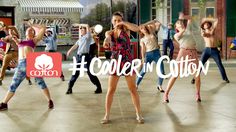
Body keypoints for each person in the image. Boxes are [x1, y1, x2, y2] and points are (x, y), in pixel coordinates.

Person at [101, 11, 144, 124]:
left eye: (118, 20)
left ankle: (139, 114)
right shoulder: (109, 32)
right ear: (111, 21)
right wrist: (106, 40)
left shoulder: (127, 30)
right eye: (114, 20)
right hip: (115, 62)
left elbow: (137, 28)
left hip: (127, 61)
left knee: (132, 89)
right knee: (111, 90)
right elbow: (107, 38)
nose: (116, 22)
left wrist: (123, 23)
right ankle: (107, 115)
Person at [0, 23, 54, 111]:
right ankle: (4, 103)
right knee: (13, 84)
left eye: (31, 30)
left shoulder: (34, 40)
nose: (29, 30)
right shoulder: (20, 41)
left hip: (31, 63)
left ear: (33, 33)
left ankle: (50, 100)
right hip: (21, 64)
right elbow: (13, 35)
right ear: (25, 33)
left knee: (41, 82)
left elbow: (43, 27)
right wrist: (8, 31)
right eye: (28, 30)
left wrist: (32, 24)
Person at [163, 12, 201, 103]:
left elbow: (191, 17)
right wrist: (183, 28)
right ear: (176, 27)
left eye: (180, 22)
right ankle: (166, 94)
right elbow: (180, 35)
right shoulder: (176, 35)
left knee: (197, 75)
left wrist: (184, 17)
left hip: (193, 53)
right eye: (178, 23)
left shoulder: (188, 28)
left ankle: (198, 94)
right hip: (183, 53)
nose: (180, 23)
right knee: (175, 74)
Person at [66, 24, 102, 94]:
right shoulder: (81, 38)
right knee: (75, 73)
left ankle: (98, 87)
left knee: (90, 73)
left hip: (86, 57)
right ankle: (69, 88)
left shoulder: (88, 37)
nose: (81, 30)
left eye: (82, 29)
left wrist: (79, 24)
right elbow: (76, 45)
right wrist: (69, 50)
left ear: (86, 31)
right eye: (80, 29)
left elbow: (87, 25)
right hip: (79, 57)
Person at [191, 18, 229, 84]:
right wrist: (203, 31)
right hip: (207, 50)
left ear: (209, 25)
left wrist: (206, 19)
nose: (206, 25)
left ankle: (225, 78)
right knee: (201, 65)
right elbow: (204, 35)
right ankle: (194, 78)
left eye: (207, 24)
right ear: (203, 26)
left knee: (219, 64)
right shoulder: (203, 32)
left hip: (214, 50)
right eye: (205, 24)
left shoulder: (213, 30)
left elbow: (216, 20)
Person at [136, 20, 165, 92]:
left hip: (156, 53)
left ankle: (160, 85)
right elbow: (143, 49)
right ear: (140, 31)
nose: (144, 29)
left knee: (161, 70)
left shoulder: (152, 33)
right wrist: (143, 58)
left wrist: (145, 24)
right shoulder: (142, 39)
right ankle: (136, 84)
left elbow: (153, 22)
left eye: (144, 27)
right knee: (143, 71)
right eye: (142, 28)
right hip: (148, 55)